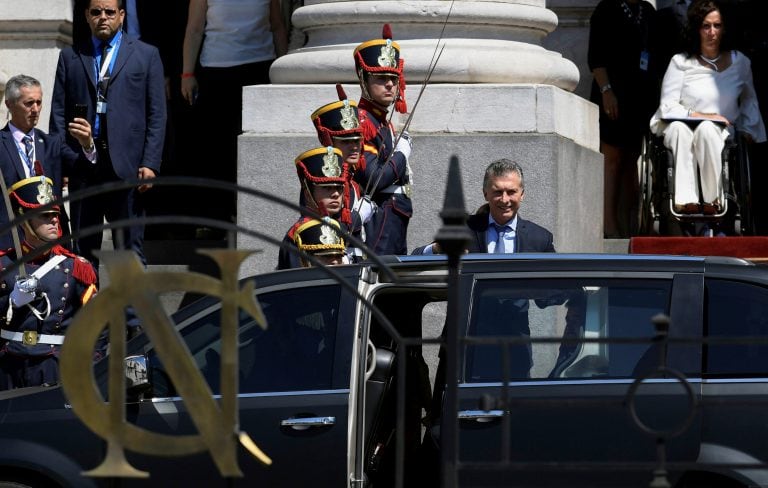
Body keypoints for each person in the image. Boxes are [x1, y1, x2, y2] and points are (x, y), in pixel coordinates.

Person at [50, 0, 166, 270]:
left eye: (110, 12)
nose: (103, 17)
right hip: (83, 167)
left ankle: (133, 313)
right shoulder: (71, 56)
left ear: (122, 16)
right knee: (82, 252)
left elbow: (157, 114)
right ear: (87, 17)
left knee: (130, 252)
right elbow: (58, 114)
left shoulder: (146, 55)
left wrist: (150, 162)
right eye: (96, 12)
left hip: (128, 167)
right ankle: (89, 311)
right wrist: (62, 162)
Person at [180, 0, 287, 238]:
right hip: (216, 70)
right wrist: (187, 73)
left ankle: (253, 214)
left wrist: (284, 73)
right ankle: (216, 219)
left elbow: (277, 27)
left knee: (255, 147)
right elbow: (194, 28)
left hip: (259, 68)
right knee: (217, 149)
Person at [649, 0, 766, 216]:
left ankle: (714, 202)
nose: (712, 32)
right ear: (696, 29)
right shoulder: (680, 62)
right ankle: (684, 202)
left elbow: (750, 100)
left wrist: (749, 130)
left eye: (717, 25)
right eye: (706, 26)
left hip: (721, 131)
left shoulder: (740, 63)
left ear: (724, 28)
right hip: (680, 123)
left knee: (707, 130)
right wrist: (702, 115)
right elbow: (667, 105)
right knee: (679, 130)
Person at [0, 176, 98, 390]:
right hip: (7, 365)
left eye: (56, 215)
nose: (54, 220)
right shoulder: (3, 264)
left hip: (53, 365)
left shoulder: (75, 268)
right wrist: (11, 302)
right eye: (45, 216)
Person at [588, 0, 661, 238]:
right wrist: (606, 91)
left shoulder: (648, 11)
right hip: (613, 95)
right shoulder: (606, 9)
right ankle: (609, 226)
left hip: (639, 99)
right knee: (613, 159)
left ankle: (632, 224)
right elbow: (596, 57)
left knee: (632, 160)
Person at [1, 75, 95, 250]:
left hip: (52, 238)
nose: (35, 109)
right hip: (9, 238)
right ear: (9, 104)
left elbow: (83, 171)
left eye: (39, 102)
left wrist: (87, 145)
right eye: (28, 103)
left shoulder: (52, 143)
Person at [353, 24, 414, 255]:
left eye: (393, 77)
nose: (390, 84)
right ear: (364, 80)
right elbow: (375, 178)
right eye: (380, 78)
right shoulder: (363, 122)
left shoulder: (381, 121)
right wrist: (401, 153)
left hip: (395, 215)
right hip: (379, 217)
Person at [412, 159, 555, 255]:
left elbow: (554, 292)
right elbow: (415, 258)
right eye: (498, 192)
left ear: (522, 194)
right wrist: (438, 248)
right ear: (485, 194)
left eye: (511, 192)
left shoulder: (540, 239)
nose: (505, 200)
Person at [311, 84, 376, 260]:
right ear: (329, 141)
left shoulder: (353, 183)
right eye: (346, 141)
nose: (355, 147)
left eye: (357, 140)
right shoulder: (318, 182)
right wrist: (358, 216)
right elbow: (321, 228)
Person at [277, 147, 352, 270]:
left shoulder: (340, 227)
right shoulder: (299, 233)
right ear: (308, 193)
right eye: (327, 188)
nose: (336, 194)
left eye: (339, 188)